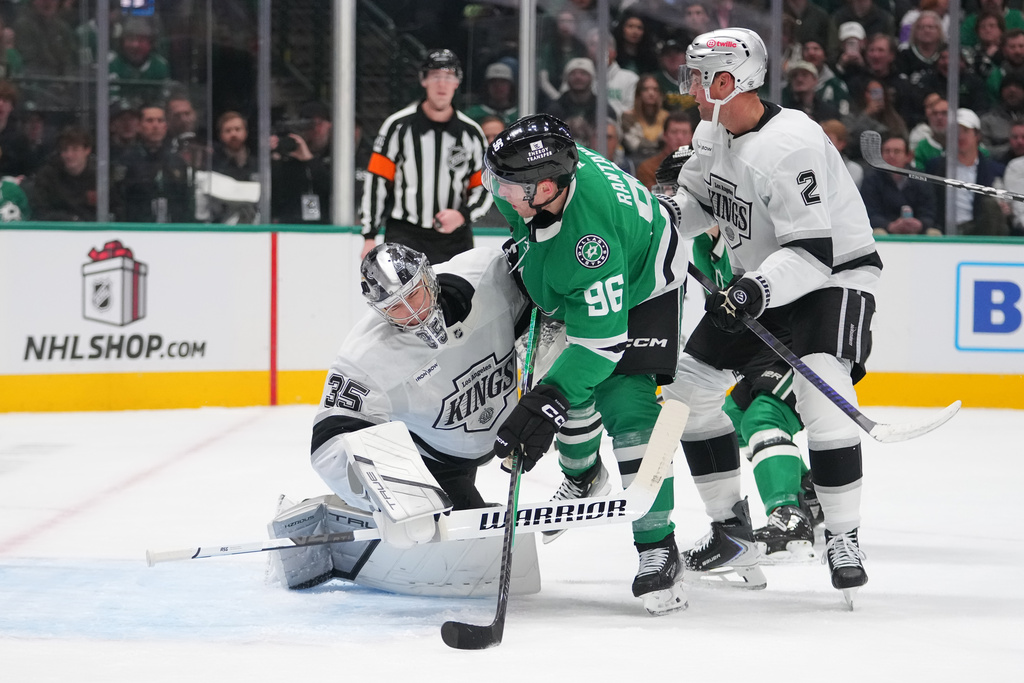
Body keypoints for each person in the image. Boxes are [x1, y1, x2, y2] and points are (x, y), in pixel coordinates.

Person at [662, 27, 881, 604]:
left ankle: (843, 537)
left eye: (700, 75)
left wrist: (754, 289)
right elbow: (696, 206)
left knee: (823, 390)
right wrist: (659, 214)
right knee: (687, 393)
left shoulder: (791, 146)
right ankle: (730, 531)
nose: (691, 86)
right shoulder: (713, 133)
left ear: (731, 79)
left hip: (831, 279)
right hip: (761, 281)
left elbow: (812, 254)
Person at [483, 113, 712, 614]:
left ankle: (658, 549)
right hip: (586, 271)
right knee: (561, 383)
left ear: (546, 188)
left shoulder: (592, 243)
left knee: (625, 403)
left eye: (509, 185)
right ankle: (584, 476)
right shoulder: (532, 185)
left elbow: (600, 348)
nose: (497, 190)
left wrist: (545, 401)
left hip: (644, 283)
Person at [272, 242, 540, 594]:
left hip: (506, 427)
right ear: (378, 311)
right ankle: (333, 516)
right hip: (436, 459)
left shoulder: (487, 274)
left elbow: (549, 289)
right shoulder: (365, 356)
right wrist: (391, 500)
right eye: (395, 307)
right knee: (460, 552)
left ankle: (582, 470)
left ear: (429, 276)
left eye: (413, 295)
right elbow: (329, 444)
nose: (412, 313)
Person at [360, 49, 491, 264]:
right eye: (436, 76)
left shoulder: (471, 133)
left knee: (455, 296)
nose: (442, 84)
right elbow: (377, 181)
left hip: (454, 237)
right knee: (402, 297)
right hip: (405, 233)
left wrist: (463, 215)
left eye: (448, 76)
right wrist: (369, 235)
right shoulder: (397, 126)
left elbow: (485, 186)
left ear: (457, 82)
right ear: (424, 80)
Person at [926, 108, 1008, 236]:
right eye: (955, 131)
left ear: (977, 135)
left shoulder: (993, 169)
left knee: (990, 205)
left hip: (980, 231)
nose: (960, 136)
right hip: (944, 230)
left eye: (965, 131)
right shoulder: (936, 167)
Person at [111, 103, 192, 223]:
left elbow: (186, 199)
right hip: (137, 227)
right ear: (139, 126)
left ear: (166, 126)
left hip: (173, 228)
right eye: (149, 121)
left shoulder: (177, 161)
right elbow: (118, 198)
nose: (155, 125)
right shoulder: (126, 160)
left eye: (160, 121)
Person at [859, 133, 939, 235]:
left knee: (934, 233)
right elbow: (869, 212)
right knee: (879, 233)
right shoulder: (871, 179)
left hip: (916, 231)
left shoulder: (921, 179)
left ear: (908, 156)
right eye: (887, 151)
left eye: (897, 151)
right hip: (884, 230)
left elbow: (929, 211)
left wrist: (920, 224)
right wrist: (889, 226)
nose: (891, 155)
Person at [270, 102, 332, 226]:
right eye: (309, 125)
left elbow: (332, 188)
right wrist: (275, 157)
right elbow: (273, 191)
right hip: (289, 222)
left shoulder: (337, 156)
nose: (315, 130)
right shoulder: (289, 152)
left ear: (330, 125)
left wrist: (309, 159)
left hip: (324, 225)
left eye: (319, 124)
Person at [27, 125, 96, 221]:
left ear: (87, 150)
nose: (69, 155)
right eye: (65, 150)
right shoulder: (47, 176)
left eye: (75, 149)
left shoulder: (100, 177)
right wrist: (71, 220)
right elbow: (40, 211)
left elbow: (115, 210)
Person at [108, 16, 170, 106]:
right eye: (130, 39)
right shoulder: (113, 64)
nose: (135, 45)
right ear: (122, 42)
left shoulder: (160, 65)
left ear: (151, 43)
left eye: (141, 40)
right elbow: (111, 99)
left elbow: (164, 99)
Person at [635, 108, 696, 190]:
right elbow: (650, 198)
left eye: (685, 132)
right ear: (664, 135)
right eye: (674, 132)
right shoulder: (647, 168)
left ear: (692, 137)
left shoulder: (698, 167)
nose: (679, 137)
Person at [621, 74, 670, 164]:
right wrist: (658, 144)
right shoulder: (628, 117)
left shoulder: (666, 117)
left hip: (662, 160)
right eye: (646, 89)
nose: (651, 93)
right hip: (636, 161)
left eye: (655, 89)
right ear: (638, 93)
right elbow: (634, 145)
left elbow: (669, 144)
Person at [465, 61, 519, 127]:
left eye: (503, 82)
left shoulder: (519, 114)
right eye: (494, 82)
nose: (498, 86)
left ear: (511, 86)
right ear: (486, 86)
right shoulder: (472, 114)